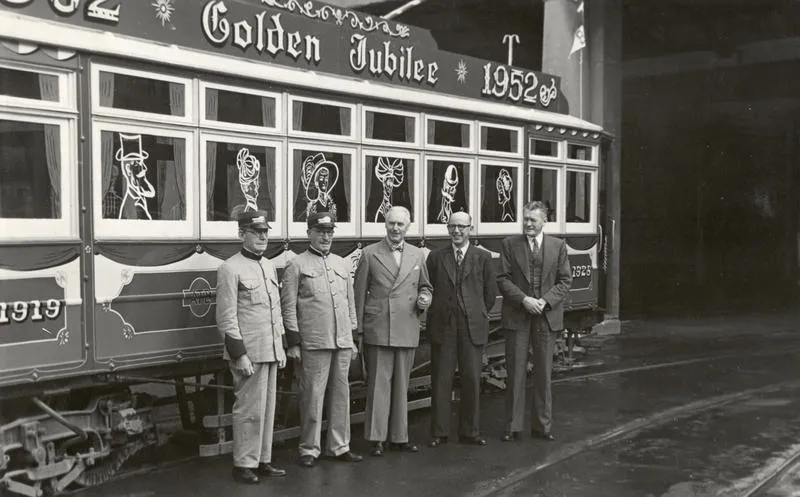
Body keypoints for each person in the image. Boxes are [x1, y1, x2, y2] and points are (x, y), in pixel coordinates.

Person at [280, 212, 364, 468]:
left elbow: (350, 304)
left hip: (340, 341)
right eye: (320, 232)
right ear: (309, 234)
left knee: (341, 395)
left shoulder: (341, 264)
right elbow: (288, 307)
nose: (326, 237)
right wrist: (293, 342)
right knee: (312, 396)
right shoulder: (296, 265)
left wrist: (351, 338)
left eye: (329, 232)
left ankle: (339, 446)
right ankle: (309, 448)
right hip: (313, 342)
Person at [215, 210, 288, 484]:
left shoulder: (268, 266)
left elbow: (275, 310)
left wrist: (280, 346)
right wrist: (239, 354)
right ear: (241, 234)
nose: (262, 236)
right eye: (256, 232)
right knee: (248, 409)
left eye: (265, 232)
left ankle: (263, 459)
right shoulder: (229, 268)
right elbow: (226, 317)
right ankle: (243, 463)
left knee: (267, 409)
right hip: (249, 352)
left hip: (269, 349)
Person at [354, 205, 433, 456]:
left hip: (407, 325)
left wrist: (424, 299)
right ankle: (376, 438)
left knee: (402, 385)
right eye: (391, 224)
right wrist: (358, 332)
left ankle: (399, 436)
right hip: (379, 327)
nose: (395, 228)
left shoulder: (417, 255)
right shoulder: (369, 254)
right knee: (378, 386)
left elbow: (426, 287)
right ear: (385, 225)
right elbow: (358, 296)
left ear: (408, 227)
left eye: (400, 224)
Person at [497, 201, 572, 442]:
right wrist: (524, 300)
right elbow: (503, 278)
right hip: (518, 314)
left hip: (546, 316)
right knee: (516, 372)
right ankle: (513, 427)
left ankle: (543, 426)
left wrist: (545, 301)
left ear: (544, 222)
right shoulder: (509, 244)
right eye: (526, 219)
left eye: (533, 220)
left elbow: (565, 281)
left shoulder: (558, 246)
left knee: (543, 374)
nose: (528, 224)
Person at [425, 212, 497, 448]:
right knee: (441, 380)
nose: (457, 231)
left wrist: (476, 313)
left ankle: (470, 431)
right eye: (452, 226)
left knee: (471, 379)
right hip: (444, 326)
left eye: (462, 227)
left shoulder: (483, 257)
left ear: (470, 229)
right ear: (447, 229)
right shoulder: (435, 257)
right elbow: (429, 287)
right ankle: (440, 432)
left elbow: (489, 294)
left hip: (471, 326)